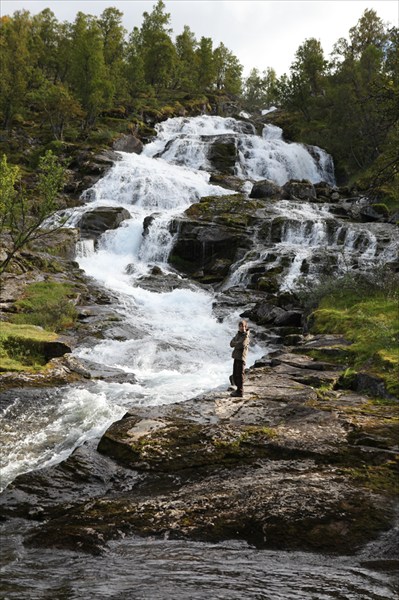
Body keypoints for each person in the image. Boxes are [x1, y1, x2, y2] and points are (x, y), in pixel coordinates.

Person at [229, 319, 250, 397]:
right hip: (236, 356)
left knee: (240, 374)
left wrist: (236, 343)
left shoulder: (246, 336)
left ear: (246, 327)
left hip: (241, 357)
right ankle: (238, 389)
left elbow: (241, 345)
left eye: (244, 326)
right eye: (241, 326)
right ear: (239, 327)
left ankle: (240, 391)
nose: (242, 328)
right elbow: (231, 343)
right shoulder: (238, 334)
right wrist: (236, 343)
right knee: (235, 374)